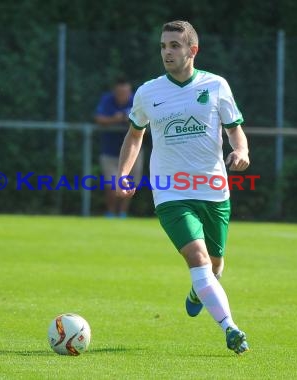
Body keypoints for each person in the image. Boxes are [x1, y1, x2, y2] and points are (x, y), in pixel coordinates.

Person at [116, 20, 250, 354]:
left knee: (215, 266)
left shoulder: (216, 85)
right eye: (163, 46)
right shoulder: (148, 92)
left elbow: (234, 129)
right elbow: (135, 135)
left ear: (193, 50)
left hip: (214, 188)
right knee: (197, 257)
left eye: (174, 45)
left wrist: (242, 150)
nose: (167, 52)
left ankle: (197, 291)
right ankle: (231, 329)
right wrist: (123, 172)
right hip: (170, 191)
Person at [95, 78, 144, 218]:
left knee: (131, 185)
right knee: (111, 185)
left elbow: (146, 124)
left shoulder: (137, 100)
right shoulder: (107, 100)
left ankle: (123, 213)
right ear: (115, 92)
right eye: (120, 93)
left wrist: (127, 119)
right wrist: (117, 119)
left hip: (132, 152)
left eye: (126, 92)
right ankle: (111, 212)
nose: (123, 95)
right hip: (110, 152)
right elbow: (99, 119)